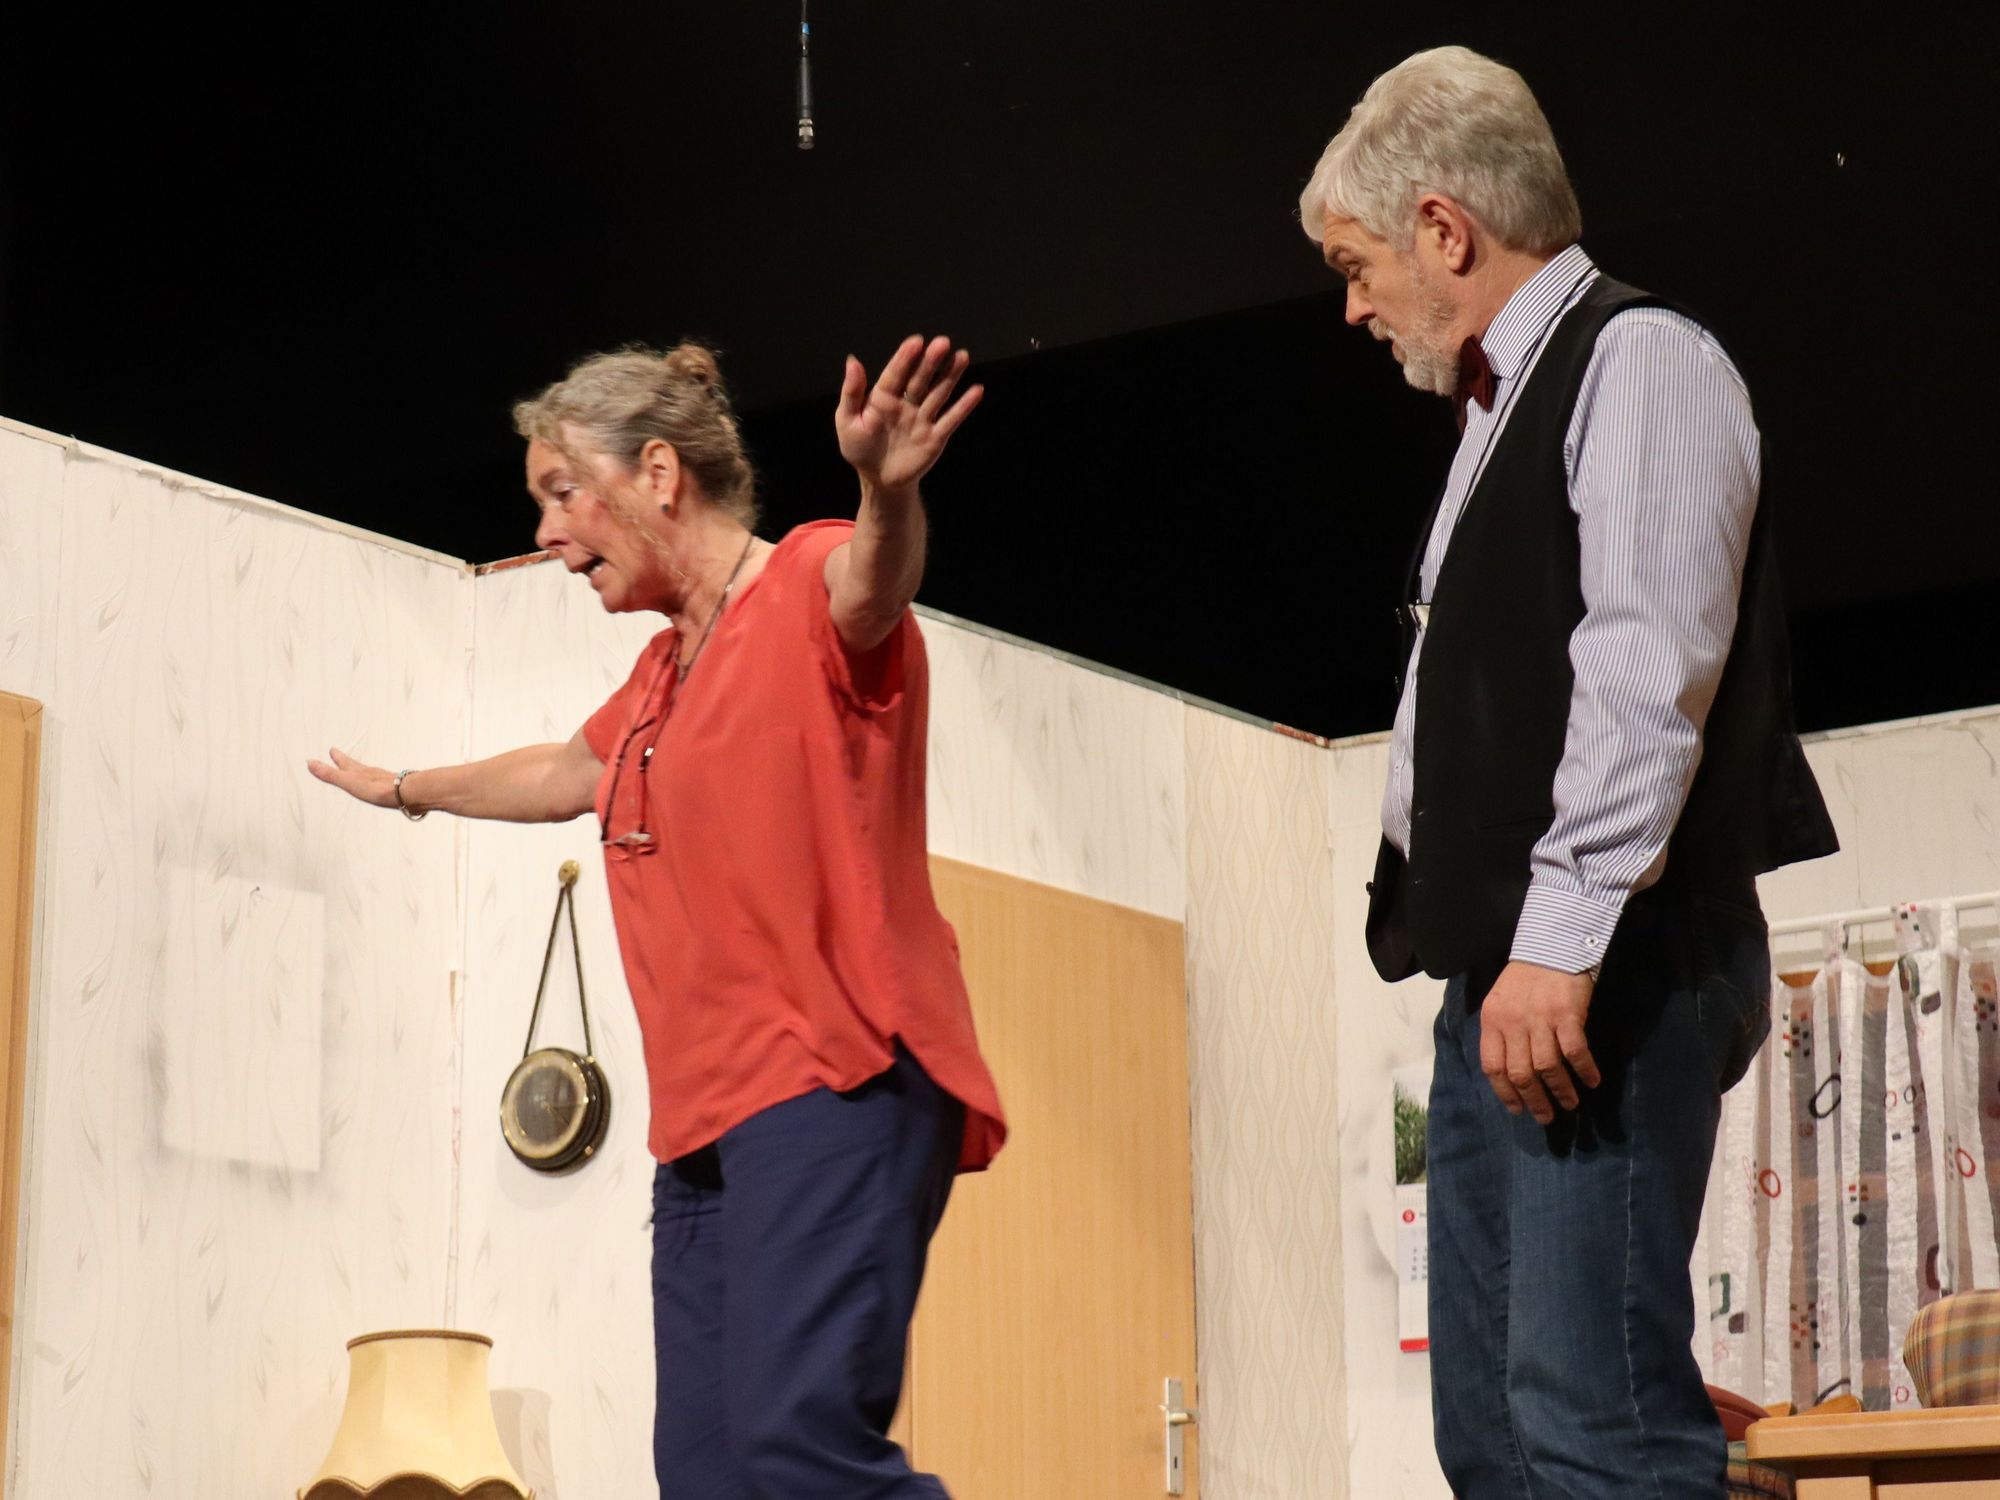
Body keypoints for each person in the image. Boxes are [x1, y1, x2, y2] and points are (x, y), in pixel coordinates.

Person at [309, 334, 1006, 1498]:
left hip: (833, 1074)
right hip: (702, 1127)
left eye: (562, 492)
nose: (546, 533)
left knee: (796, 1444)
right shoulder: (658, 676)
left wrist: (886, 490)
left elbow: (874, 586)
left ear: (658, 475)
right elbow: (562, 774)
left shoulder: (803, 585)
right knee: (704, 1472)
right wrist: (406, 789)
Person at [1299, 46, 1837, 1499]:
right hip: (1512, 973)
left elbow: (1646, 669)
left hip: (1611, 963)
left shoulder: (1638, 359)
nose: (1352, 306)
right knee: (1494, 1439)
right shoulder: (1499, 407)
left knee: (1592, 1422)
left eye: (1355, 265)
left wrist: (1559, 941)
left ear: (1442, 229)